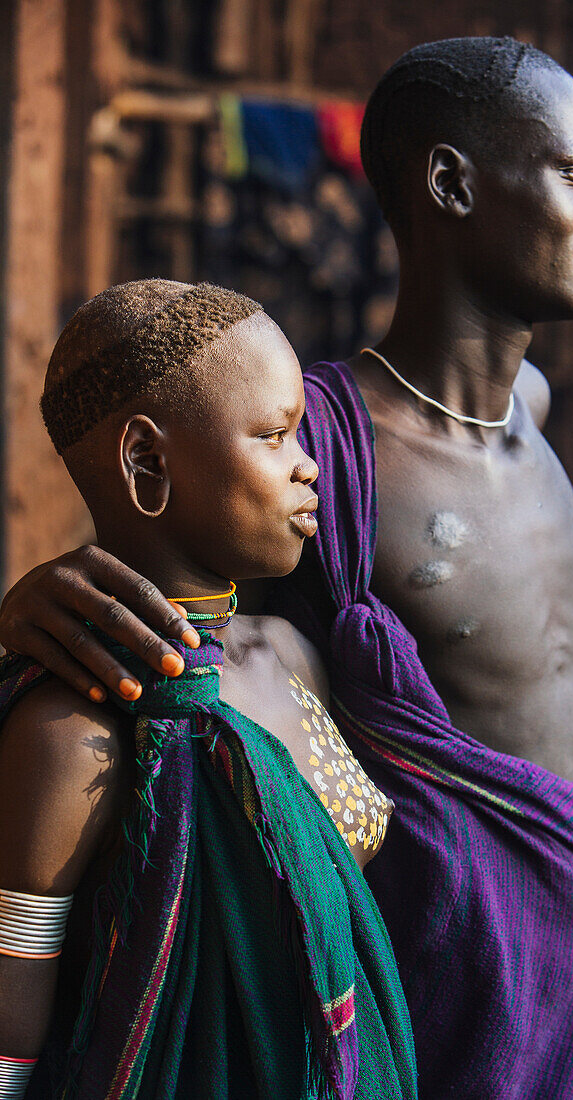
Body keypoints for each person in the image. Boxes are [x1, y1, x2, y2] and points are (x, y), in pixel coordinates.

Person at [0, 38, 573, 1098]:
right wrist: (34, 600)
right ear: (450, 185)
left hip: (571, 942)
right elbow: (181, 597)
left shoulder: (540, 414)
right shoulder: (335, 445)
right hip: (428, 988)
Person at [0, 280, 417, 1099]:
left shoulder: (291, 655)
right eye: (274, 434)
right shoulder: (74, 729)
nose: (309, 466)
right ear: (147, 462)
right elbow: (8, 1041)